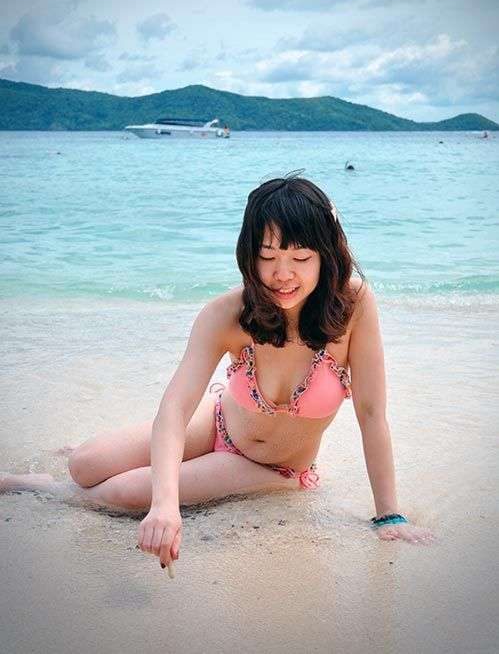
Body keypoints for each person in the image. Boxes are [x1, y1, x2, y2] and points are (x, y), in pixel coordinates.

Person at [1, 174, 434, 569]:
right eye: (268, 257)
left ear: (326, 254)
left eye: (300, 257)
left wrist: (388, 515)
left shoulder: (353, 306)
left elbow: (372, 414)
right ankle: (75, 472)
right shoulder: (228, 313)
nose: (283, 275)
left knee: (122, 493)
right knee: (85, 462)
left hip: (272, 468)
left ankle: (43, 488)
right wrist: (167, 506)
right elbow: (174, 408)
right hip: (219, 420)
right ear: (249, 255)